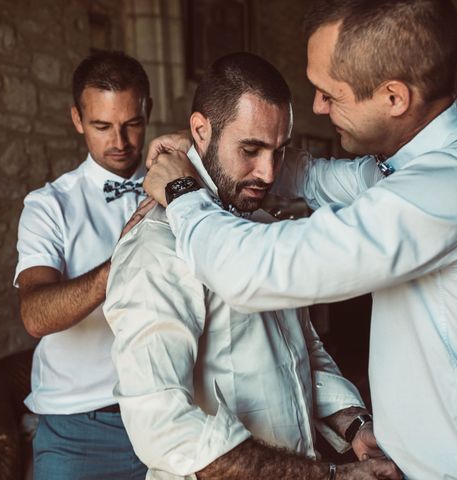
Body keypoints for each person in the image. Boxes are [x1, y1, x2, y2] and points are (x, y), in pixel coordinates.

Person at [141, 1, 457, 478]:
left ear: (394, 97)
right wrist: (210, 150)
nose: (318, 106)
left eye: (330, 94)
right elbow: (311, 176)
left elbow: (250, 270)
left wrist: (180, 189)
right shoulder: (419, 169)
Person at [104, 52, 401, 480]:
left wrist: (352, 424)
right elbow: (162, 425)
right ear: (201, 132)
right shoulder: (157, 245)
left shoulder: (262, 225)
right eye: (251, 149)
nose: (267, 173)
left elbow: (303, 353)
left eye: (279, 152)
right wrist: (327, 477)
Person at [14, 50, 154, 479]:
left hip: (168, 414)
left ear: (147, 111)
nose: (120, 141)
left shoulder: (176, 189)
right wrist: (119, 267)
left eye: (131, 124)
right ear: (77, 119)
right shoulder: (48, 206)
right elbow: (35, 316)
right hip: (77, 426)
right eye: (102, 126)